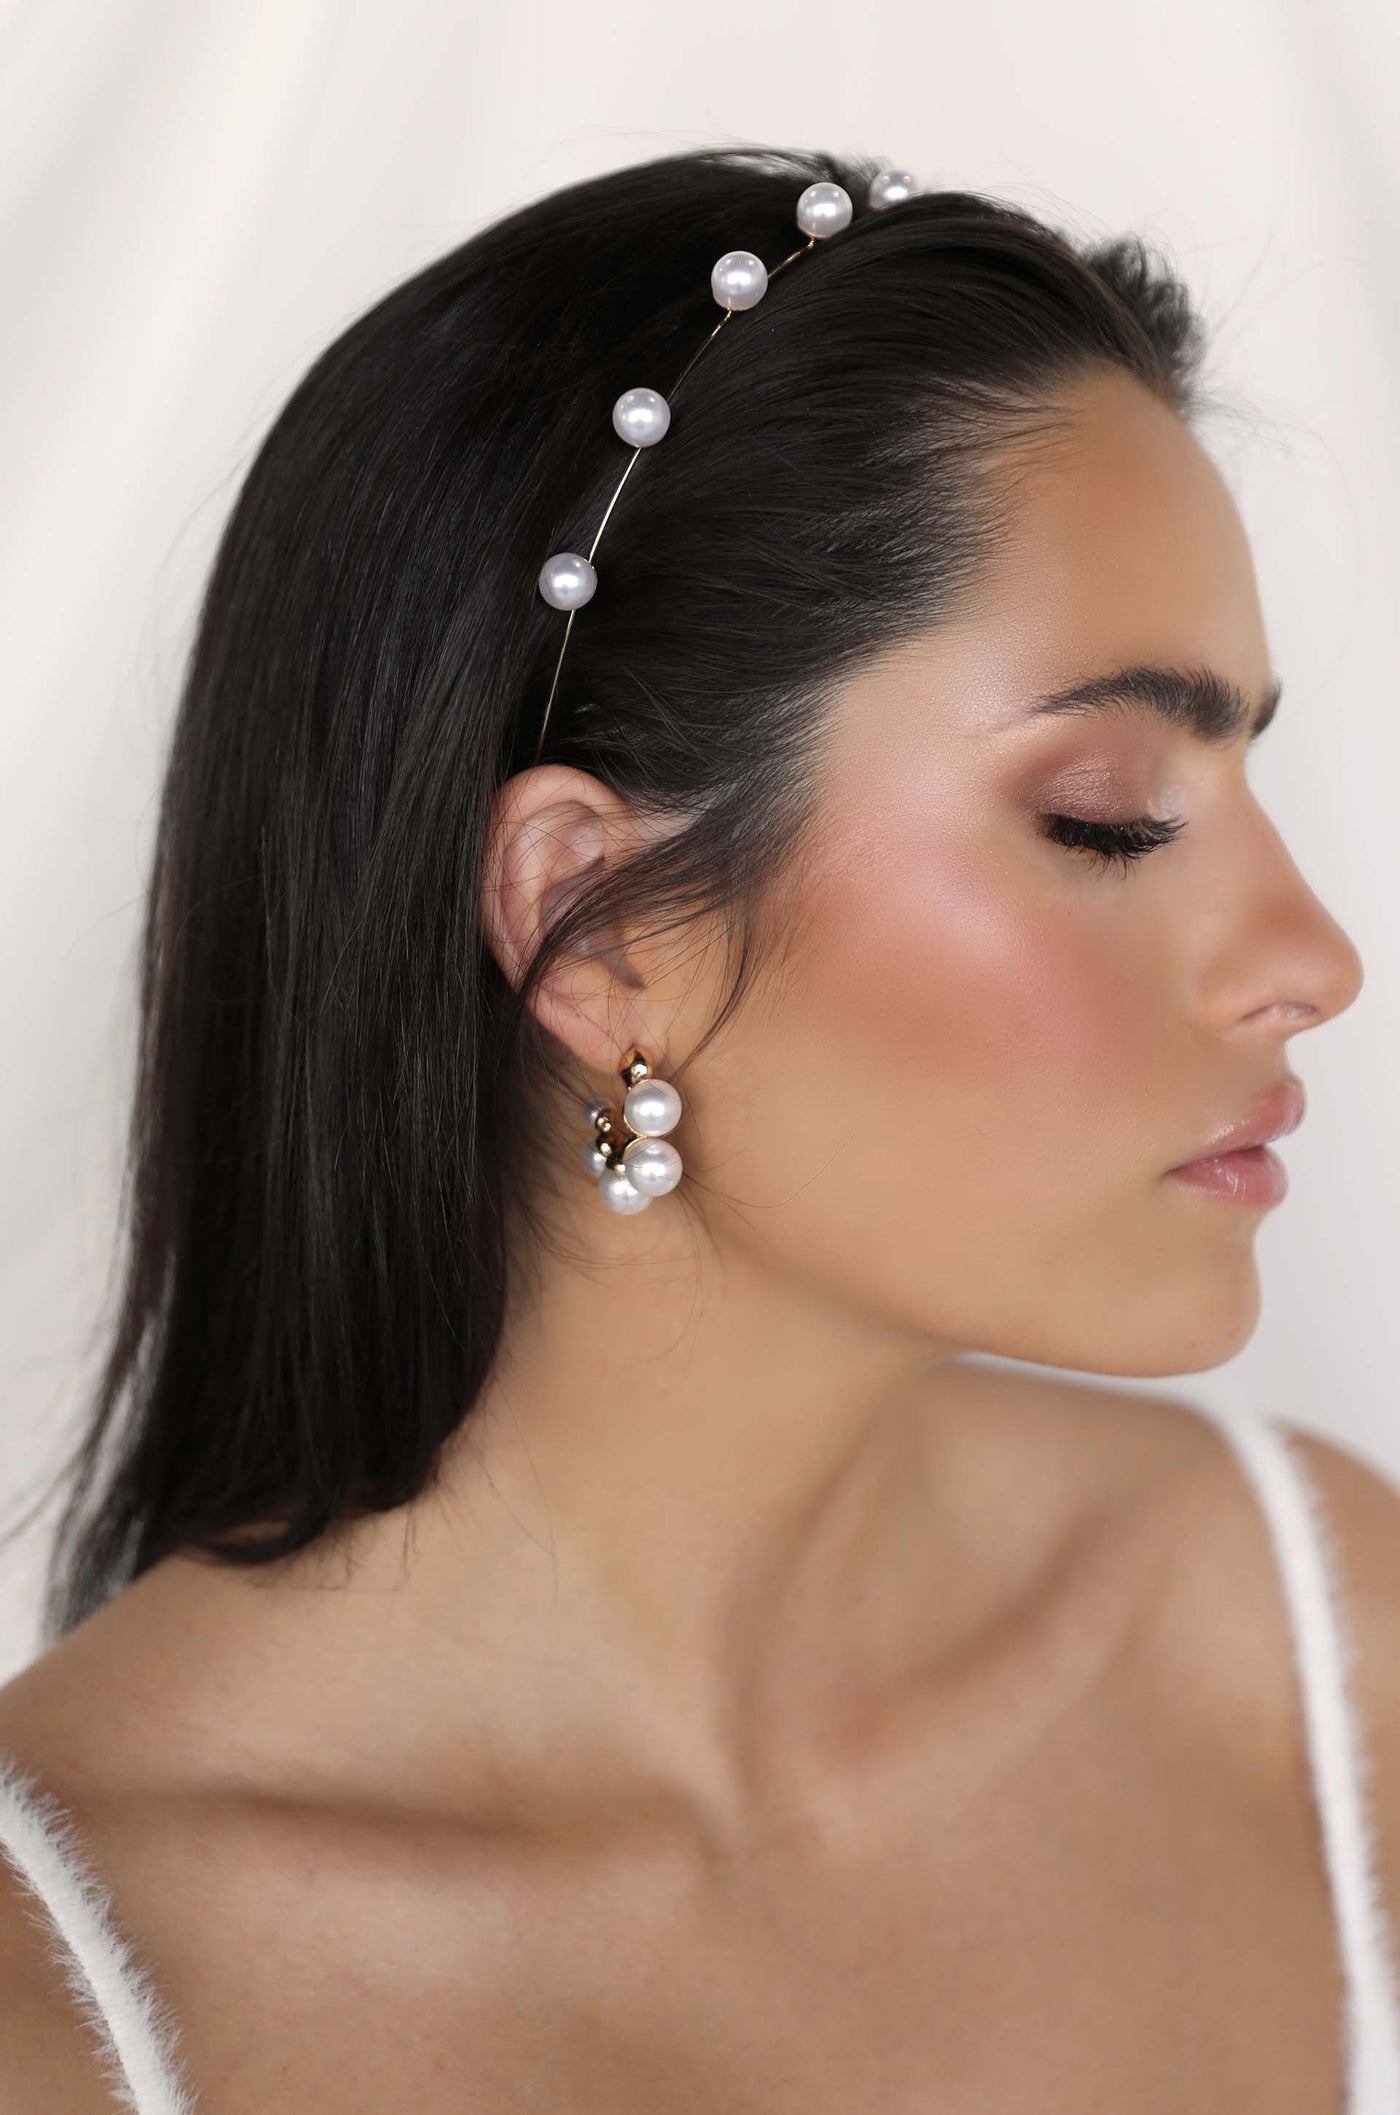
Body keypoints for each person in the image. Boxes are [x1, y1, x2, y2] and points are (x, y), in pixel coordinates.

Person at [0, 140, 1396, 2113]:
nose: (1310, 954)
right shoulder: (70, 2004)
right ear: (600, 921)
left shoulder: (1319, 1656)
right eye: (1104, 815)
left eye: (1249, 775)